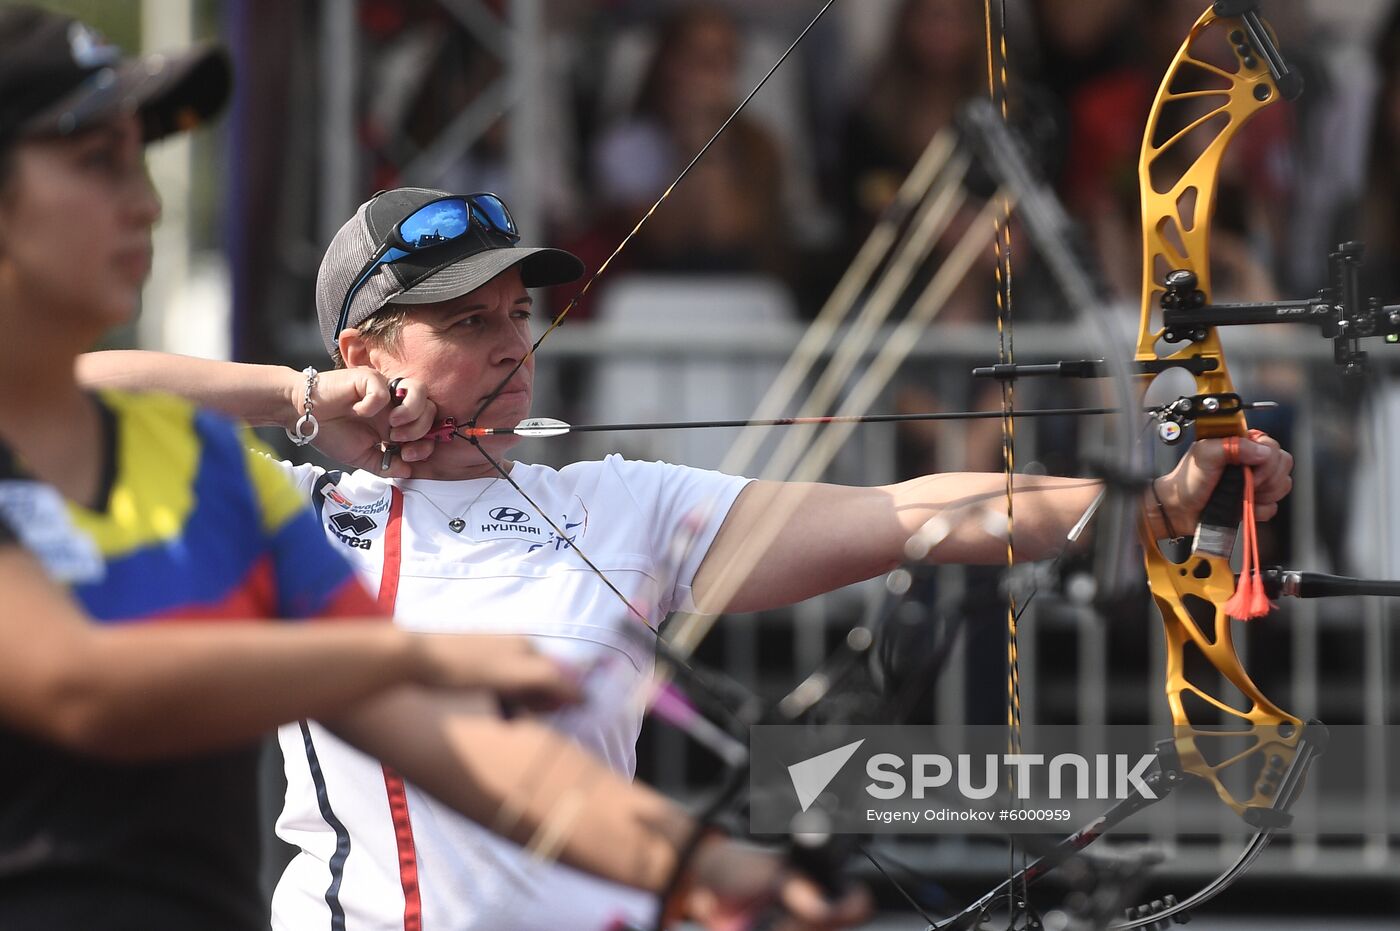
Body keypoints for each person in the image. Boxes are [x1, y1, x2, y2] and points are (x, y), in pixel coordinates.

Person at [82, 172, 1296, 929]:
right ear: (369, 351)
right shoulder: (287, 509)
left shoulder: (621, 506)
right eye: (465, 321)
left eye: (519, 314)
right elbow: (57, 395)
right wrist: (301, 399)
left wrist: (1161, 500)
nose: (512, 344)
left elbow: (910, 513)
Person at [0, 7, 869, 930]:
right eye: (97, 161)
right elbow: (75, 681)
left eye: (140, 161)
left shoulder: (209, 476)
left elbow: (461, 744)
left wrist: (708, 861)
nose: (145, 202)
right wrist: (305, 396)